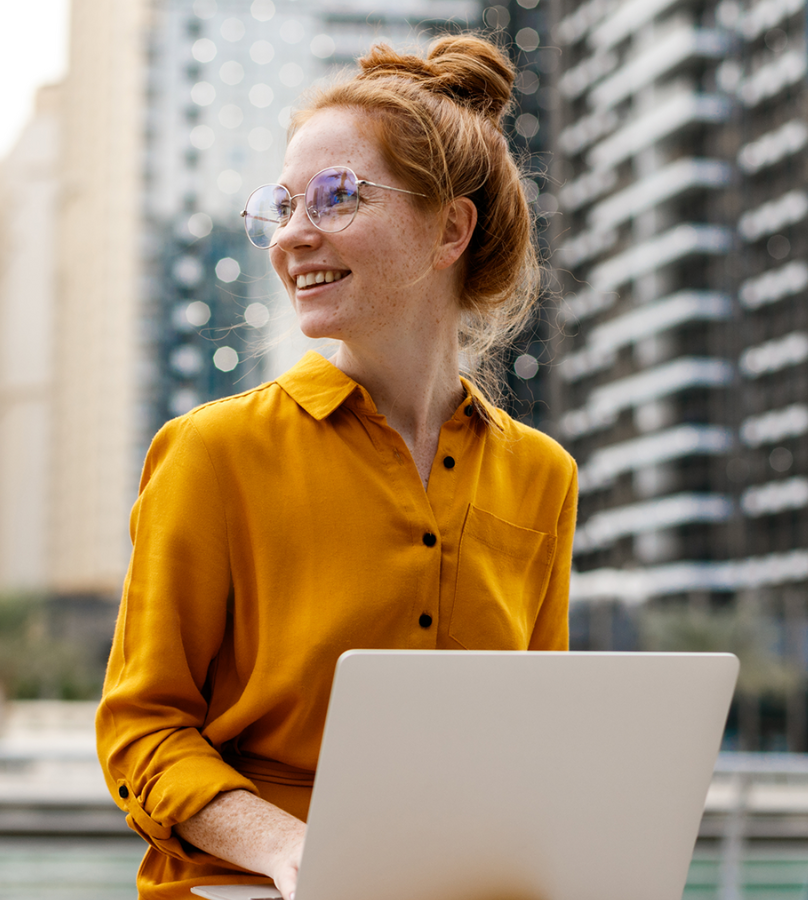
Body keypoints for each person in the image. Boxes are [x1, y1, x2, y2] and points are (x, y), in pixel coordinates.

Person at [95, 33, 579, 900]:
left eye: (335, 197)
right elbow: (143, 732)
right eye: (282, 206)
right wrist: (293, 852)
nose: (293, 237)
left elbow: (532, 740)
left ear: (450, 229)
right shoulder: (212, 453)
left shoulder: (543, 476)